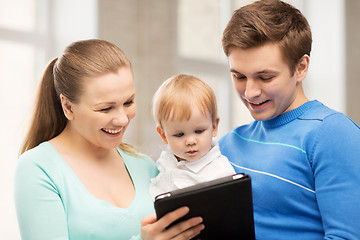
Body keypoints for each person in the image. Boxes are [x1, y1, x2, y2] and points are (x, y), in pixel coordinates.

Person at [14, 39, 204, 240]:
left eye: (129, 102)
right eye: (105, 108)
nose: (122, 119)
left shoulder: (146, 167)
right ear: (68, 107)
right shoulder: (39, 168)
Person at [219, 0, 360, 239]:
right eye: (239, 76)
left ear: (301, 67)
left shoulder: (332, 133)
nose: (250, 92)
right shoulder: (227, 145)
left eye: (265, 77)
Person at [149, 74, 235, 199]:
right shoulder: (166, 160)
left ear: (214, 127)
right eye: (179, 134)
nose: (190, 141)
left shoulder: (221, 173)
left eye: (199, 131)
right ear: (163, 134)